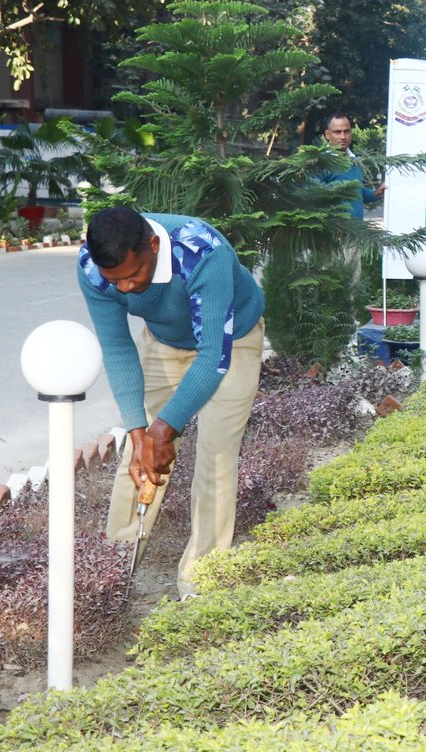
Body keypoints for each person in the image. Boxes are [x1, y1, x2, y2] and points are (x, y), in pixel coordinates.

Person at [77, 206, 265, 599]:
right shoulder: (94, 269)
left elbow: (214, 353)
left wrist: (166, 426)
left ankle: (201, 580)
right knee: (140, 454)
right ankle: (114, 567)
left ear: (154, 245)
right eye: (117, 280)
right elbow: (116, 346)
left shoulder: (202, 251)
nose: (125, 288)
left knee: (216, 454)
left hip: (232, 339)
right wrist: (140, 429)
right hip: (164, 342)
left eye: (133, 275)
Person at [322, 112, 385, 219]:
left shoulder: (355, 161)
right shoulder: (319, 162)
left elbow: (357, 192)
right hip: (332, 231)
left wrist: (376, 193)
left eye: (346, 131)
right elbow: (311, 196)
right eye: (337, 132)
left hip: (356, 232)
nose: (343, 136)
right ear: (328, 134)